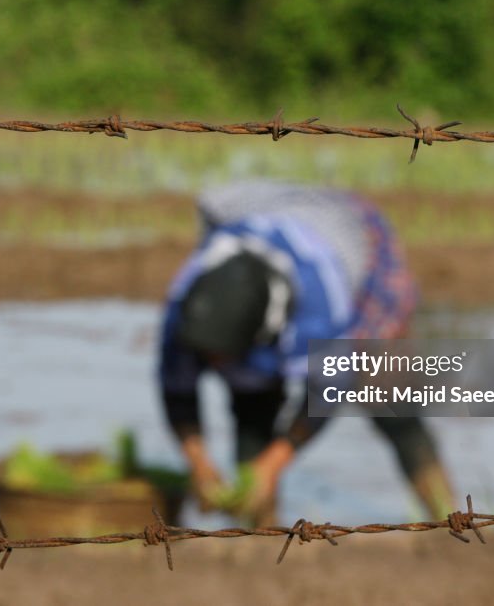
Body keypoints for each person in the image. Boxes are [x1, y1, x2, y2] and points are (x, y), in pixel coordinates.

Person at [157, 180, 455, 525]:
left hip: (357, 246)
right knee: (252, 408)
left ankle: (446, 516)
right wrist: (199, 464)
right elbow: (175, 387)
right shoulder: (187, 305)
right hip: (268, 215)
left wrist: (272, 464)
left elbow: (327, 392)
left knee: (391, 403)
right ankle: (260, 538)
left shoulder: (319, 306)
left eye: (222, 358)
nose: (213, 366)